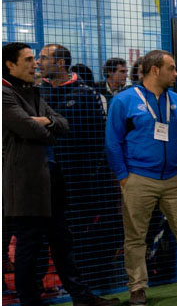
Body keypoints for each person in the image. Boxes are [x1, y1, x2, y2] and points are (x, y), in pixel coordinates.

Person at [3, 42, 119, 306]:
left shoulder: (32, 92)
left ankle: (81, 297)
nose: (35, 63)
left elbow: (61, 124)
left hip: (49, 177)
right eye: (29, 59)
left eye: (37, 58)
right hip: (24, 181)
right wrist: (46, 126)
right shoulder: (5, 95)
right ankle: (31, 305)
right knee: (30, 244)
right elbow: (30, 128)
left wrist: (46, 122)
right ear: (10, 64)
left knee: (61, 239)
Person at [105, 50, 177, 306]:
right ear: (155, 70)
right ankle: (137, 288)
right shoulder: (124, 101)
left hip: (174, 179)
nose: (176, 74)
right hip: (138, 178)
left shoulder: (176, 101)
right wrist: (124, 177)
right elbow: (113, 142)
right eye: (171, 68)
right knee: (135, 237)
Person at [38, 44, 118, 288]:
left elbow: (98, 138)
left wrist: (91, 174)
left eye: (44, 58)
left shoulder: (85, 94)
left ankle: (88, 282)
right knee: (45, 234)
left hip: (79, 180)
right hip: (44, 178)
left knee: (81, 231)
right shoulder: (37, 93)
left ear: (60, 63)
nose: (39, 62)